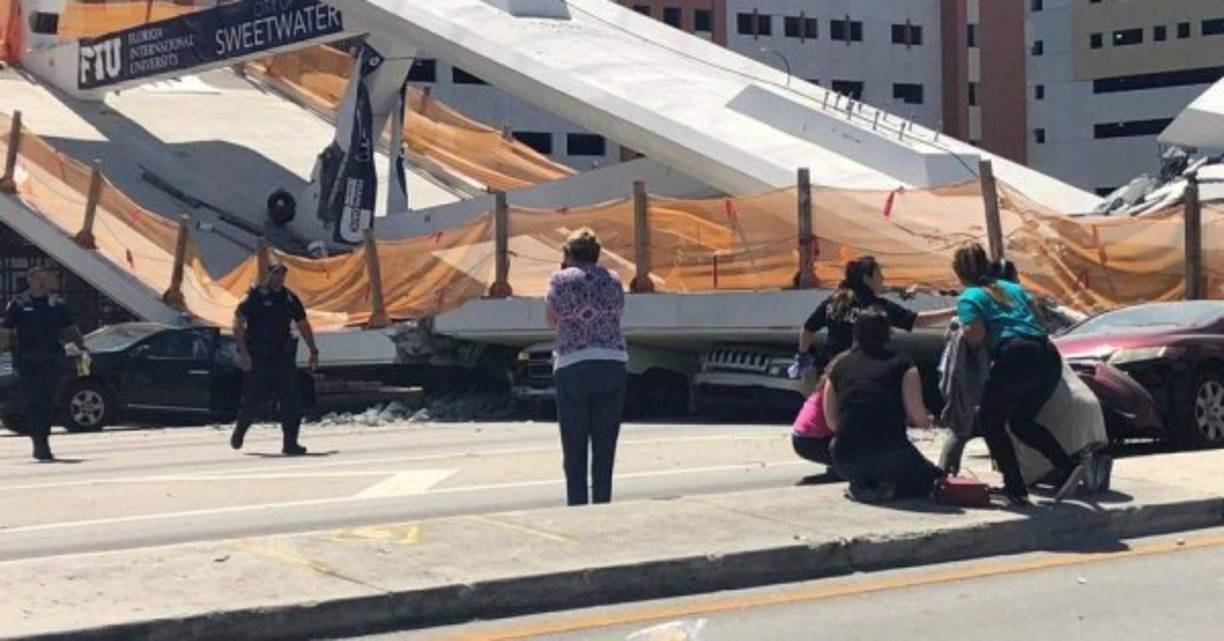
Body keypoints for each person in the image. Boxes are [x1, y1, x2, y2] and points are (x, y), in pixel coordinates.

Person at [953, 243, 1087, 506]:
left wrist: (961, 331)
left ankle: (1015, 488)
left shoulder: (969, 297)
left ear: (959, 273)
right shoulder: (1013, 289)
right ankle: (1067, 466)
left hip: (1015, 356)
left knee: (990, 420)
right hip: (1047, 355)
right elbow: (1040, 323)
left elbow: (976, 337)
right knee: (1020, 421)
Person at [821, 308, 944, 503]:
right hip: (888, 454)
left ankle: (863, 485)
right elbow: (917, 416)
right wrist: (928, 420)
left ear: (856, 333)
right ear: (888, 333)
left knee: (869, 464)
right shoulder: (903, 363)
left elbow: (832, 422)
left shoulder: (838, 366)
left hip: (844, 458)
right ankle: (889, 489)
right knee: (930, 478)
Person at [546, 228, 628, 506]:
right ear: (597, 254)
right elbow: (618, 313)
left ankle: (578, 504)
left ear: (568, 254)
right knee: (605, 444)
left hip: (573, 364)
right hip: (612, 362)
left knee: (574, 442)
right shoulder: (613, 280)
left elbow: (551, 319)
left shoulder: (560, 279)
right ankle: (603, 501)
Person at [796, 256, 955, 375]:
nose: (883, 279)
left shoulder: (835, 301)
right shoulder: (876, 307)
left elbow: (807, 329)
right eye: (879, 275)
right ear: (867, 279)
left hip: (833, 370)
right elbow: (916, 321)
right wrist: (953, 311)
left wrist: (804, 356)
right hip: (862, 372)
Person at [229, 261, 319, 456]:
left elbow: (302, 324)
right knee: (254, 399)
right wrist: (243, 352)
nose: (278, 278)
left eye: (282, 275)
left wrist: (313, 350)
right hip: (259, 357)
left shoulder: (289, 298)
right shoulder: (254, 297)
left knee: (292, 401)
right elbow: (238, 323)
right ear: (268, 275)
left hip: (282, 357)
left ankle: (290, 444)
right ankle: (240, 431)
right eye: (275, 274)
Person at [0, 266, 88, 461]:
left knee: (48, 401)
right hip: (27, 361)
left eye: (45, 277)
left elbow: (69, 329)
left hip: (51, 360)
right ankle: (39, 442)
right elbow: (5, 330)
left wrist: (82, 348)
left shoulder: (56, 304)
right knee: (33, 401)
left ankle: (43, 436)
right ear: (30, 280)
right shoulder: (19, 304)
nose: (42, 281)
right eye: (38, 277)